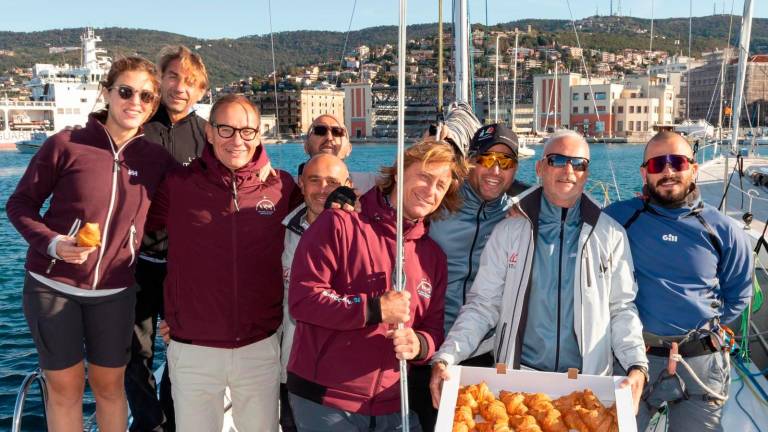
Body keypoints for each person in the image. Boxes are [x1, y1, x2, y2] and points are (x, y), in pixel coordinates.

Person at [6, 56, 176, 431]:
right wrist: (52, 243)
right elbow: (19, 204)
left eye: (147, 96)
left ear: (154, 105)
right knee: (64, 388)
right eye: (126, 92)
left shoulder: (156, 159)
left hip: (115, 292)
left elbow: (192, 203)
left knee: (110, 388)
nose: (135, 102)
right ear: (107, 92)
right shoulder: (65, 144)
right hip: (53, 287)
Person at [429, 130, 648, 413]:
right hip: (518, 385)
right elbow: (483, 306)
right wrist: (446, 356)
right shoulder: (509, 231)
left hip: (588, 388)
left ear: (586, 172)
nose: (569, 170)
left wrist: (636, 365)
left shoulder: (611, 235)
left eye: (578, 163)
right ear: (540, 168)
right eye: (558, 160)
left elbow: (621, 309)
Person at [287, 141, 467, 431]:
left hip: (393, 404)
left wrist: (419, 345)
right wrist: (373, 308)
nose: (430, 190)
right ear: (398, 173)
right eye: (423, 176)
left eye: (441, 185)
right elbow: (304, 299)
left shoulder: (433, 257)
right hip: (326, 402)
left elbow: (433, 329)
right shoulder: (340, 224)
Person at [147, 94, 301, 432]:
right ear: (210, 133)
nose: (237, 140)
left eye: (247, 131)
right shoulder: (177, 186)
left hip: (258, 346)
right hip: (193, 349)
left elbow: (323, 214)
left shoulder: (282, 187)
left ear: (259, 134)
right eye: (227, 129)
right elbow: (127, 230)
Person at [604, 131, 753, 432]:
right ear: (645, 173)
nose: (668, 171)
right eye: (658, 165)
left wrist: (702, 331)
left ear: (693, 169)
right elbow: (563, 210)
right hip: (635, 359)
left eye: (677, 162)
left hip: (699, 362)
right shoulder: (617, 218)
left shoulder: (723, 230)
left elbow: (738, 294)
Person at [409, 123, 527, 431]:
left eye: (506, 163)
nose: (495, 170)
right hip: (427, 344)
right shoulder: (438, 202)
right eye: (487, 159)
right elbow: (395, 192)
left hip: (482, 352)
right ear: (471, 160)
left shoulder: (518, 215)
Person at [125, 44, 208, 432]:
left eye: (189, 81)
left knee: (184, 350)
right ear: (160, 79)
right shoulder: (136, 126)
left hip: (183, 266)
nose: (180, 87)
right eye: (173, 76)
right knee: (135, 352)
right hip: (134, 262)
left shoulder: (207, 137)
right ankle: (148, 424)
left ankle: (173, 419)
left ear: (201, 91)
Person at [279, 153, 352, 432]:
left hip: (342, 377)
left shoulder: (365, 236)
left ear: (348, 184)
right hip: (291, 369)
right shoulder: (280, 233)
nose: (323, 189)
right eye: (314, 180)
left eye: (332, 182)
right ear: (300, 183)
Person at [300, 113, 377, 194]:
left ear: (349, 149)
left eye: (337, 132)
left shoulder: (372, 185)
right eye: (320, 131)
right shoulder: (288, 188)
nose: (329, 137)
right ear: (306, 147)